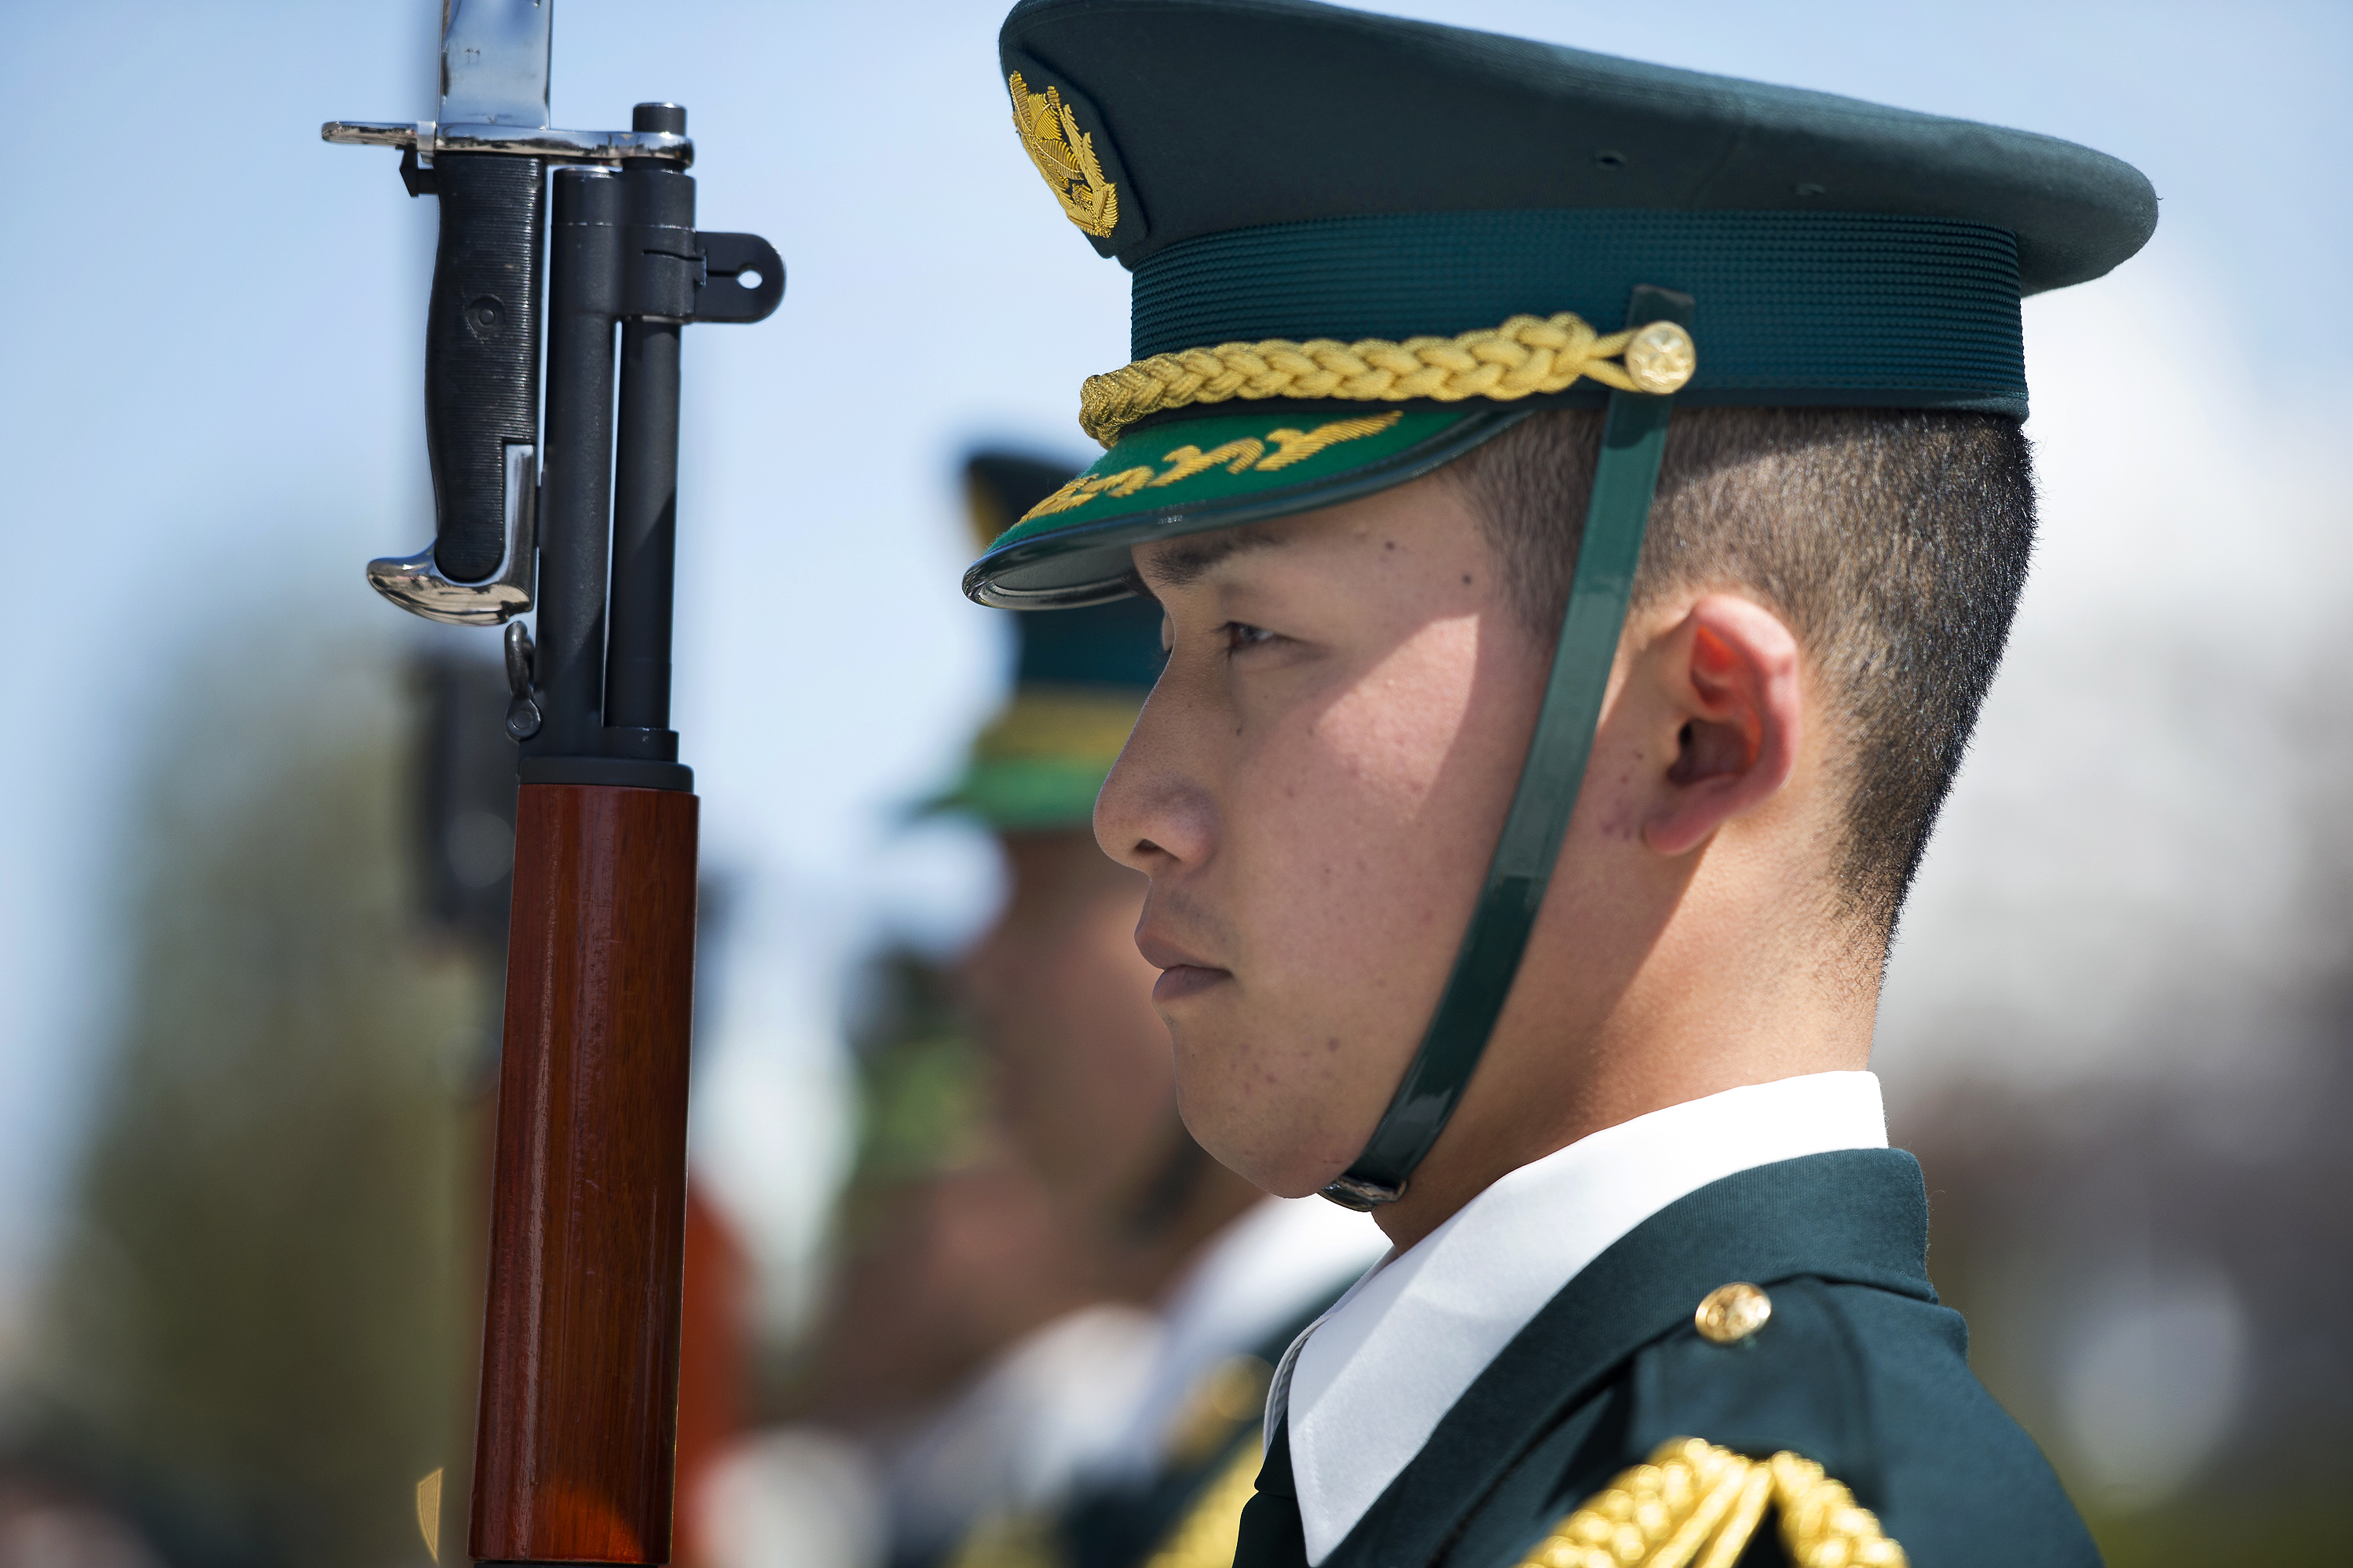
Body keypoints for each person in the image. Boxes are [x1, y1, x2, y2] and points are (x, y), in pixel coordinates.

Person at [964, 4, 2157, 1566]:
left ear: (1699, 736)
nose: (1132, 804)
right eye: (1175, 638)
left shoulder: (1780, 1530)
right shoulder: (1419, 1461)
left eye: (1253, 633)